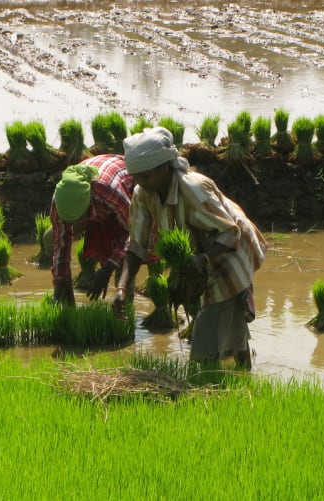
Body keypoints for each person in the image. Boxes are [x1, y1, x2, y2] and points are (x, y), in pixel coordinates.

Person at [112, 127, 267, 369]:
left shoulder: (193, 190)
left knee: (207, 332)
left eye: (147, 176)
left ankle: (207, 381)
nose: (141, 183)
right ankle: (243, 374)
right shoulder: (144, 193)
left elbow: (230, 232)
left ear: (164, 167)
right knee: (227, 315)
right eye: (137, 178)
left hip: (232, 248)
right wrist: (122, 287)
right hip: (199, 254)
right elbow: (136, 245)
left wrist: (203, 259)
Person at [48, 154, 136, 306]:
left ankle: (124, 312)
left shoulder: (110, 192)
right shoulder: (60, 197)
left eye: (75, 220)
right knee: (49, 238)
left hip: (123, 201)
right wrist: (59, 284)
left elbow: (134, 233)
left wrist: (107, 269)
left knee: (122, 264)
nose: (72, 224)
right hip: (98, 205)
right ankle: (69, 306)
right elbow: (61, 246)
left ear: (87, 209)